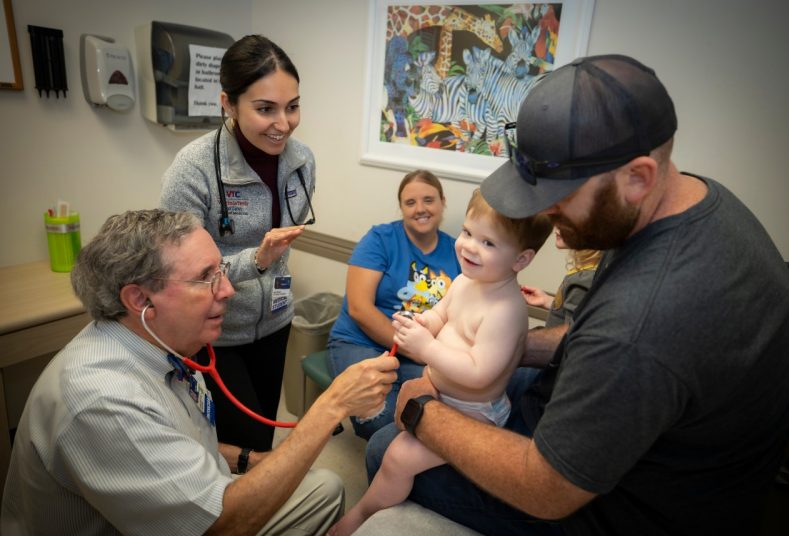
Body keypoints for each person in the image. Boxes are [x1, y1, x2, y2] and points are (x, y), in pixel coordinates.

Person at [364, 54, 789, 535]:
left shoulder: (643, 321)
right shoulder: (687, 201)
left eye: (558, 197)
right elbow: (593, 338)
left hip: (621, 506)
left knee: (386, 447)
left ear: (637, 178)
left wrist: (422, 414)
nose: (546, 216)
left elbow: (548, 488)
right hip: (622, 422)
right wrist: (510, 346)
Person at [0, 209, 398, 535]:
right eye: (206, 277)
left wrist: (248, 460)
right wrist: (332, 405)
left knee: (324, 486)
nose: (227, 290)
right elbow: (218, 528)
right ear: (140, 299)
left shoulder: (158, 345)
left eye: (221, 271)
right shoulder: (103, 401)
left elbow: (171, 438)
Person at [330, 189, 552, 535]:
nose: (468, 246)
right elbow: (439, 314)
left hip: (475, 413)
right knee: (393, 441)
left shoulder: (506, 310)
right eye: (466, 232)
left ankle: (360, 517)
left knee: (398, 459)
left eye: (488, 243)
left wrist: (426, 349)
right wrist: (421, 325)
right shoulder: (465, 281)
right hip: (442, 393)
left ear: (520, 260)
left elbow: (480, 374)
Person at [161, 35, 313, 452]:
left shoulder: (302, 162)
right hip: (215, 332)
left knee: (263, 436)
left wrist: (270, 268)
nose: (283, 123)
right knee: (236, 447)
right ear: (228, 103)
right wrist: (256, 260)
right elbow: (182, 273)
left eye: (292, 106)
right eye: (266, 109)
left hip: (276, 322)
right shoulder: (193, 170)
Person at [327, 169, 461, 439]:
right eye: (410, 203)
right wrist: (416, 350)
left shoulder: (457, 251)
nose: (420, 209)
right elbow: (359, 309)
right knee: (383, 420)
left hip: (419, 350)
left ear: (442, 202)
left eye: (428, 200)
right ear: (401, 207)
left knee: (443, 408)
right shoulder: (380, 240)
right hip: (360, 343)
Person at [521, 227, 601, 328]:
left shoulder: (583, 280)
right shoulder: (589, 272)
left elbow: (567, 337)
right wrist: (548, 301)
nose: (557, 227)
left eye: (567, 222)